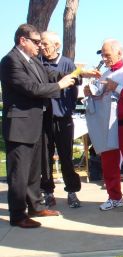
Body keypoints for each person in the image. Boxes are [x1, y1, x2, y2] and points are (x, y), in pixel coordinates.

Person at [0, 24, 76, 228]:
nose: (39, 46)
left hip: (35, 124)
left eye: (41, 42)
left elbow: (48, 77)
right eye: (36, 42)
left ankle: (35, 206)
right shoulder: (10, 61)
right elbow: (31, 88)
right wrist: (60, 86)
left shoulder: (33, 61)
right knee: (19, 174)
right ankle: (18, 215)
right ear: (22, 41)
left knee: (34, 171)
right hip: (19, 126)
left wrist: (76, 73)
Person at [84, 39, 123, 212]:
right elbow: (98, 96)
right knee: (109, 162)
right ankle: (114, 196)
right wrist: (89, 92)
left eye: (107, 55)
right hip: (106, 125)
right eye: (102, 55)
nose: (104, 58)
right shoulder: (103, 74)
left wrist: (117, 88)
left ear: (119, 53)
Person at [39, 31, 81, 208]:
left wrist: (67, 108)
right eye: (40, 43)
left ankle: (72, 192)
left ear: (57, 46)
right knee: (45, 158)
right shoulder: (37, 62)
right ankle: (48, 192)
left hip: (63, 118)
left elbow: (74, 90)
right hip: (43, 117)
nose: (41, 46)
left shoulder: (67, 63)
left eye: (45, 44)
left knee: (66, 156)